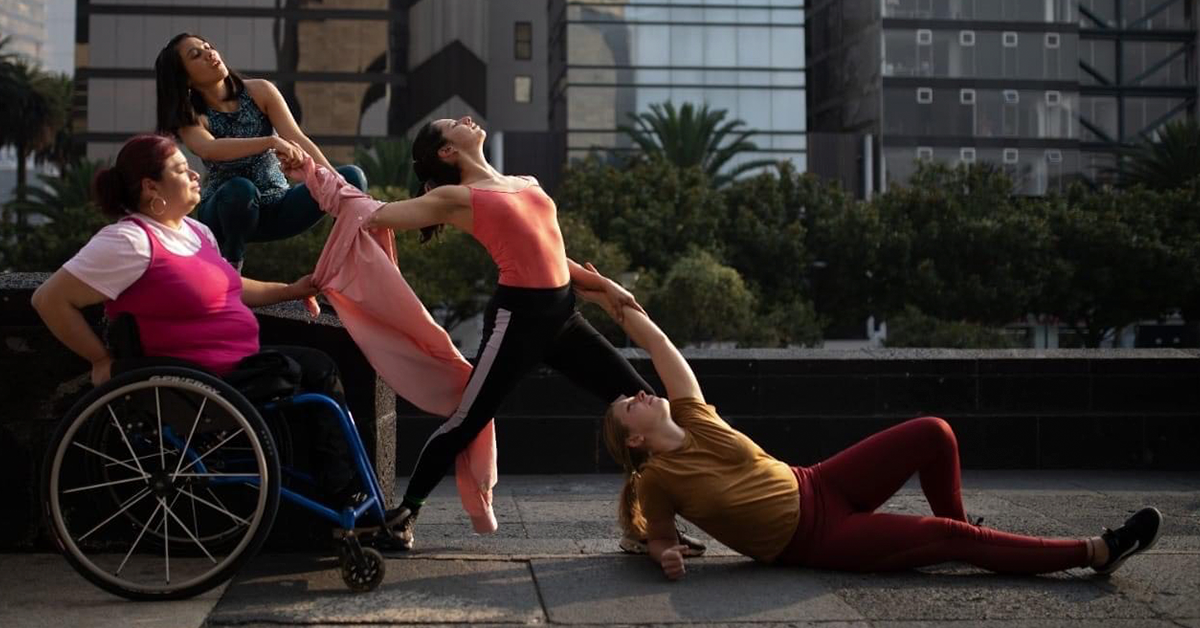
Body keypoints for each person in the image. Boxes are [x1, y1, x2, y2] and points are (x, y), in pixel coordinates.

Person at [578, 284, 1164, 580]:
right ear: (634, 440)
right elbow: (655, 536)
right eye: (630, 404)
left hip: (820, 483)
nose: (639, 393)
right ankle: (1096, 551)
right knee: (944, 535)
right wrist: (665, 554)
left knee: (934, 432)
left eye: (634, 392)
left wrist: (605, 294)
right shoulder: (657, 478)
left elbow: (655, 343)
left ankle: (961, 534)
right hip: (815, 542)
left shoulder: (694, 418)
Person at [365, 116, 703, 555]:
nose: (467, 119)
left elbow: (552, 253)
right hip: (517, 321)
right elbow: (378, 215)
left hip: (564, 316)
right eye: (453, 123)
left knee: (645, 405)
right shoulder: (457, 197)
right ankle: (405, 516)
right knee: (467, 421)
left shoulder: (524, 181)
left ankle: (645, 526)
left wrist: (605, 288)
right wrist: (327, 180)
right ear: (446, 152)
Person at [31, 133, 359, 505]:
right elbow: (49, 299)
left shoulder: (198, 232)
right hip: (198, 381)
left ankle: (345, 492)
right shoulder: (128, 241)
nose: (195, 175)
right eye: (181, 169)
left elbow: (231, 285)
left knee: (318, 367)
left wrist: (291, 290)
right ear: (150, 186)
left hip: (236, 367)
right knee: (316, 370)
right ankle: (346, 496)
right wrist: (101, 360)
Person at [155, 32, 368, 270]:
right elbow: (208, 149)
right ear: (185, 78)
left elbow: (297, 137)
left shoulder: (259, 91)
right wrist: (269, 142)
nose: (209, 54)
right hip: (228, 213)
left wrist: (335, 183)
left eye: (208, 47)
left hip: (279, 206)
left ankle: (346, 265)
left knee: (351, 178)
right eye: (196, 55)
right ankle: (231, 264)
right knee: (240, 189)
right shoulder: (191, 116)